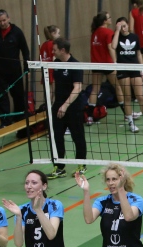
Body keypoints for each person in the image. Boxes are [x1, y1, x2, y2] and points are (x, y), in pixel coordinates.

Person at [50, 38, 88, 179]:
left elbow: (77, 88)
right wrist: (51, 101)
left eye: (54, 50)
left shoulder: (75, 65)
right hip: (57, 106)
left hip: (73, 107)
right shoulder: (56, 63)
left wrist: (65, 105)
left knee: (77, 136)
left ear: (63, 50)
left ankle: (81, 165)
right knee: (57, 137)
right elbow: (55, 84)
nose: (52, 52)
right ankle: (59, 167)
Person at [0, 10, 30, 128]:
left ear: (8, 18)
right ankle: (5, 122)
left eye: (4, 20)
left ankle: (20, 120)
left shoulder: (17, 32)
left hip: (15, 71)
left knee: (18, 96)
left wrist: (27, 69)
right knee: (2, 98)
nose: (2, 23)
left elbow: (25, 51)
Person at [113, 18, 143, 134]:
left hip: (135, 69)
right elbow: (113, 47)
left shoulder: (134, 37)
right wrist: (117, 31)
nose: (123, 28)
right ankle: (131, 123)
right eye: (121, 26)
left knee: (140, 96)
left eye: (124, 26)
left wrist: (142, 70)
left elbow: (139, 54)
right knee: (127, 97)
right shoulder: (116, 37)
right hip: (123, 70)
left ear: (128, 25)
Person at [87, 11, 120, 126]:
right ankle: (127, 115)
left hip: (96, 65)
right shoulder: (108, 32)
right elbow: (111, 48)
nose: (111, 19)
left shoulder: (94, 32)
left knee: (95, 90)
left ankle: (89, 117)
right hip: (107, 64)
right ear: (104, 21)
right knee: (118, 87)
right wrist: (115, 63)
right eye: (109, 18)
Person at [39, 25, 60, 103]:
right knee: (52, 91)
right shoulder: (53, 44)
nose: (59, 35)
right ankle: (49, 107)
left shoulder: (43, 45)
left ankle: (47, 106)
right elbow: (54, 58)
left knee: (47, 92)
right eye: (58, 33)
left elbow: (40, 59)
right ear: (53, 33)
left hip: (44, 71)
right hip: (52, 71)